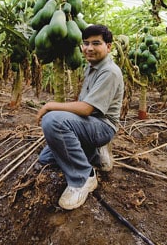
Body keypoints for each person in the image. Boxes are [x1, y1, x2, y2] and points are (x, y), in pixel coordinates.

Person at [36, 24, 124, 210]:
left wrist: (51, 105)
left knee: (52, 120)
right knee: (46, 158)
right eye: (85, 43)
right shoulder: (91, 66)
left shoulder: (109, 71)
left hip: (102, 126)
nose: (89, 48)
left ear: (108, 47)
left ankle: (83, 178)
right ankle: (94, 154)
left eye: (96, 43)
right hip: (89, 123)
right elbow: (83, 102)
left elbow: (85, 109)